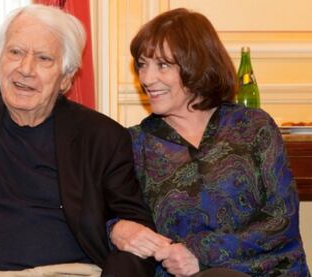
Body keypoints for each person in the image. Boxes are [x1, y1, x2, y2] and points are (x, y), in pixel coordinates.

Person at [0, 4, 157, 277]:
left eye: (44, 58)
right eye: (15, 52)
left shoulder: (103, 137)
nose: (25, 69)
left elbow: (137, 229)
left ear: (67, 78)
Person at [109, 8, 310, 277]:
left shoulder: (252, 126)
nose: (146, 79)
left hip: (269, 271)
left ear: (196, 64)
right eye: (142, 64)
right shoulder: (135, 144)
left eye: (163, 65)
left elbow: (281, 219)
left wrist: (199, 254)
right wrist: (115, 228)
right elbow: (102, 214)